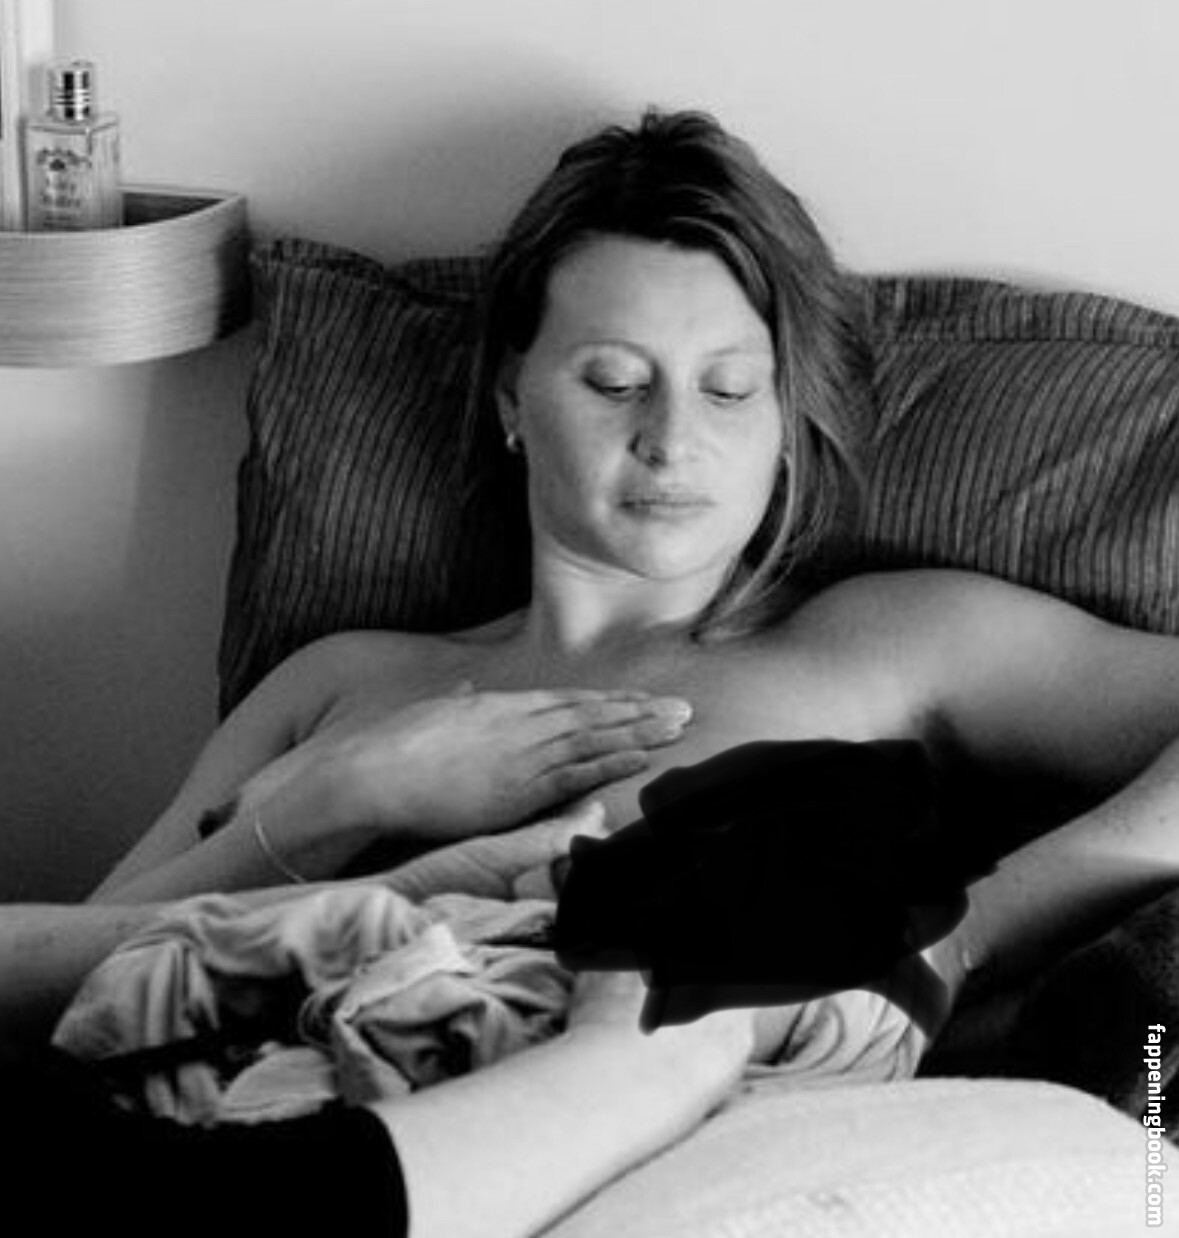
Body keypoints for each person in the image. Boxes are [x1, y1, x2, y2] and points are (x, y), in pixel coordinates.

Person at [48, 102, 1179, 1218]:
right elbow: (59, 973)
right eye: (615, 381)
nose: (672, 439)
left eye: (729, 388)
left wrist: (968, 929)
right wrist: (337, 802)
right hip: (231, 1135)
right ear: (512, 396)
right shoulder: (342, 682)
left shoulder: (885, 641)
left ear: (786, 417)